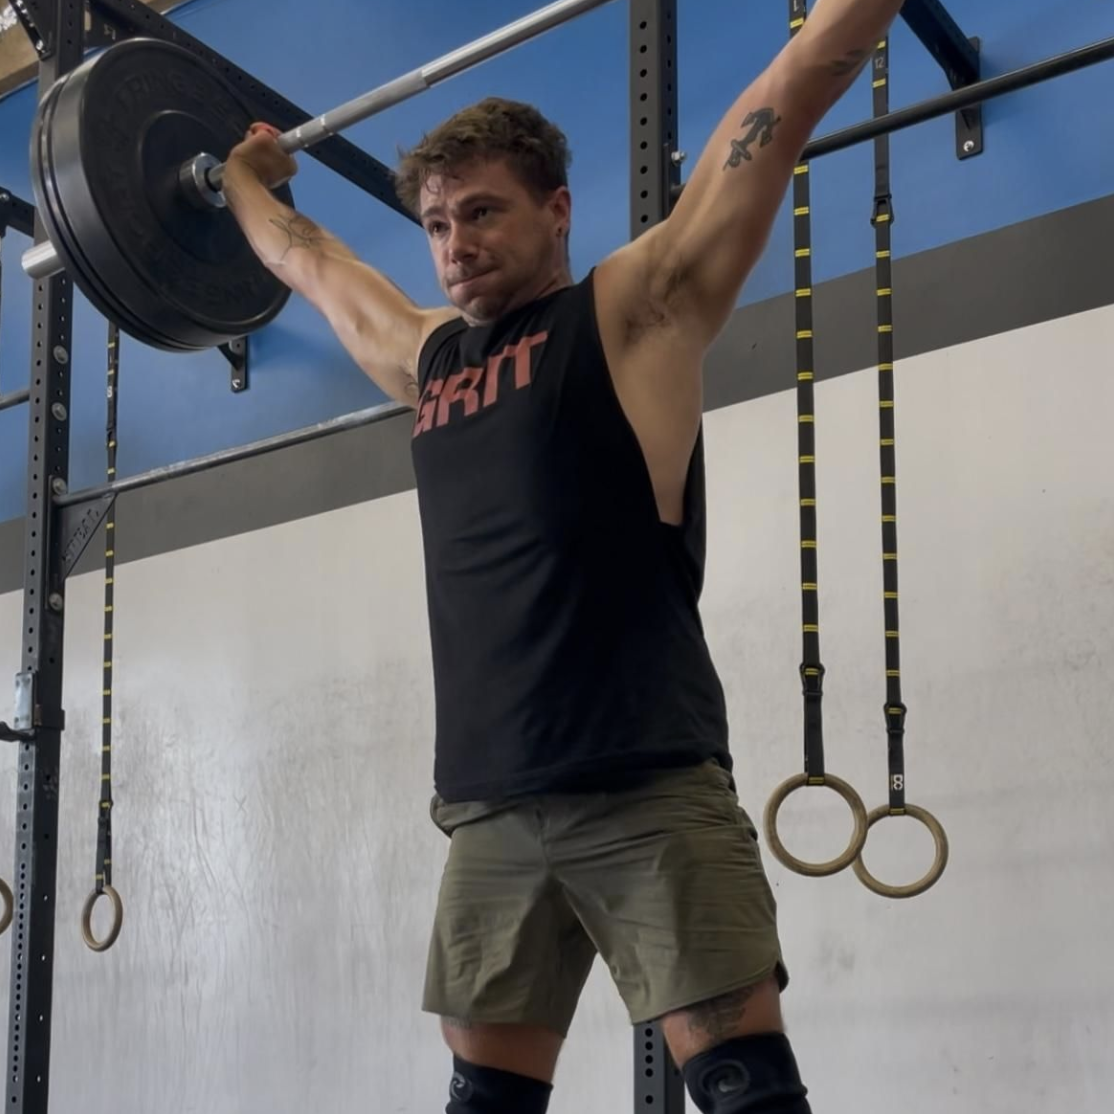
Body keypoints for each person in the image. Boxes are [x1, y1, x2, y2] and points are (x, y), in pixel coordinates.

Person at [223, 2, 905, 1109]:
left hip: (643, 782)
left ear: (557, 209)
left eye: (483, 212)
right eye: (438, 225)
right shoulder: (429, 358)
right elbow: (312, 264)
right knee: (484, 1100)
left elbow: (777, 112)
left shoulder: (632, 312)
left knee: (745, 1091)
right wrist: (245, 177)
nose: (455, 244)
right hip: (488, 807)